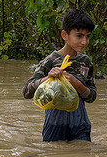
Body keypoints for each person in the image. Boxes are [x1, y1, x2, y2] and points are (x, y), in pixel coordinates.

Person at [22, 9, 97, 142]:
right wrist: (47, 78)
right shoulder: (50, 61)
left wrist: (77, 84)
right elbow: (27, 91)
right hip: (54, 126)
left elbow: (91, 97)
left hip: (80, 126)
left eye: (88, 36)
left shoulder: (86, 62)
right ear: (64, 35)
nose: (84, 42)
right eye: (79, 36)